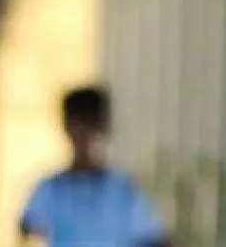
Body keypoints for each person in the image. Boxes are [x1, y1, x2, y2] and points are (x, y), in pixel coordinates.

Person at [19, 86, 169, 247]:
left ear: (102, 128)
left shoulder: (121, 191)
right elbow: (28, 232)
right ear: (67, 128)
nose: (83, 135)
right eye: (77, 125)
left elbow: (154, 238)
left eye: (89, 125)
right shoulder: (52, 189)